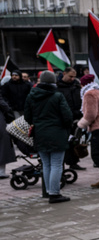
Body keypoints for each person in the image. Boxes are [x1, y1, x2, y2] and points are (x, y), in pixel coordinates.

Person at [23, 70, 73, 202]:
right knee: (56, 164)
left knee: (46, 165)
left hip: (40, 133)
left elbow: (27, 117)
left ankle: (48, 192)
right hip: (57, 133)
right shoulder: (57, 96)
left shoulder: (31, 96)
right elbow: (67, 116)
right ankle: (54, 193)